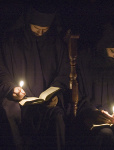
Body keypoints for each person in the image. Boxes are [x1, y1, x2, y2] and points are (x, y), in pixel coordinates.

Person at [0, 3, 70, 150]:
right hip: (18, 101)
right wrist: (11, 89)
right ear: (28, 23)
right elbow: (2, 71)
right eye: (37, 28)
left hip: (46, 104)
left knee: (57, 116)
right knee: (9, 110)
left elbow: (64, 73)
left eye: (45, 29)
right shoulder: (11, 42)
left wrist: (55, 95)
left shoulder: (56, 43)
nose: (40, 33)